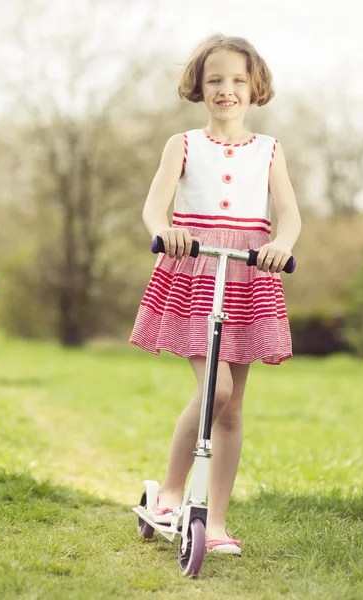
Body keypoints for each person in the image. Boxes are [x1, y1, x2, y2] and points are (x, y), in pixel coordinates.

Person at [130, 35, 301, 555]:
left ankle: (218, 520)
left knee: (232, 407)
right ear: (199, 88)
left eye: (238, 80)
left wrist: (281, 243)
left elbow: (288, 213)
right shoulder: (182, 144)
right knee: (216, 389)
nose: (227, 90)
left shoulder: (270, 149)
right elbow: (154, 207)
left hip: (249, 273)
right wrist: (167, 231)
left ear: (255, 87)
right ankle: (174, 490)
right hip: (196, 269)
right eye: (215, 80)